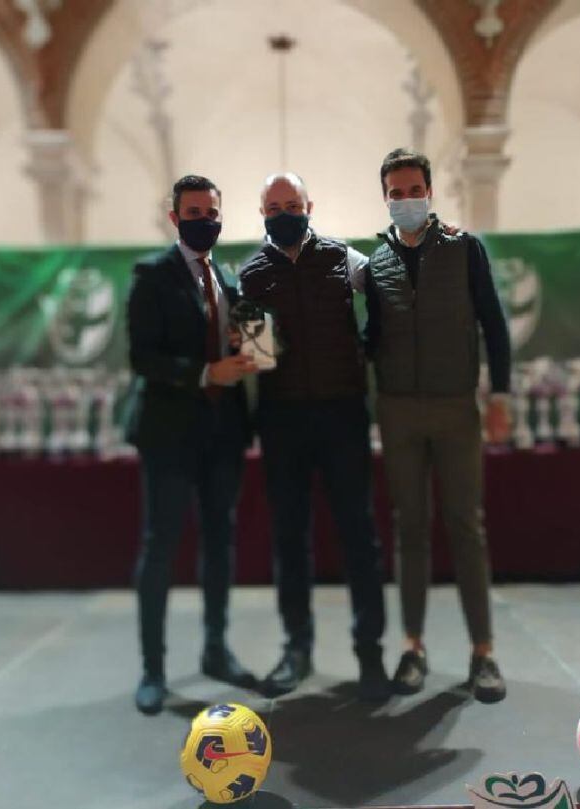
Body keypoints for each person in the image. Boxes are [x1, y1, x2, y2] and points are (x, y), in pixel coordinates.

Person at [363, 148, 511, 704]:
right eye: (395, 193)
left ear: (430, 190)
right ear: (385, 198)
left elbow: (494, 324)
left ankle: (484, 653)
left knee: (466, 526)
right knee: (410, 528)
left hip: (455, 408)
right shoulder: (375, 262)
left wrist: (499, 396)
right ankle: (413, 647)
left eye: (413, 190)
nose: (405, 201)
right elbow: (371, 338)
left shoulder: (465, 249)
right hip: (398, 409)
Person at [239, 173, 389, 702]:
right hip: (281, 421)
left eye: (292, 203)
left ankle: (370, 654)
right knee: (290, 539)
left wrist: (368, 351)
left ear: (310, 206)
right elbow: (256, 357)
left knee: (359, 537)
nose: (284, 211)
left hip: (344, 414)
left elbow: (391, 290)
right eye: (274, 205)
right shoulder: (250, 275)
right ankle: (295, 650)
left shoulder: (344, 259)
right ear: (261, 211)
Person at [126, 175, 259, 715]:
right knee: (160, 547)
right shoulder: (152, 276)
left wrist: (254, 344)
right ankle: (153, 669)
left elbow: (254, 351)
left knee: (220, 544)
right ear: (174, 216)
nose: (205, 218)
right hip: (169, 434)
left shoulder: (228, 278)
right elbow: (142, 357)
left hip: (224, 434)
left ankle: (215, 650)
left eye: (212, 211)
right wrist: (207, 371)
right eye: (194, 210)